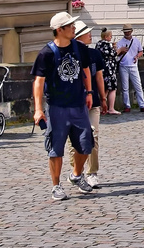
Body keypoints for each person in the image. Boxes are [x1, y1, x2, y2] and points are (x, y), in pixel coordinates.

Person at [32, 11, 97, 200]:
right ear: (60, 30)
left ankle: (76, 175)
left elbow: (85, 69)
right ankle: (56, 186)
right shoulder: (46, 53)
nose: (74, 28)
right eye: (71, 26)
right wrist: (38, 109)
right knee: (55, 148)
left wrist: (89, 92)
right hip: (57, 107)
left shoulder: (79, 48)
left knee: (86, 144)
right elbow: (38, 81)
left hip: (78, 105)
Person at [68, 20, 112, 187]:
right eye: (87, 33)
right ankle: (76, 172)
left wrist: (103, 97)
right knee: (74, 139)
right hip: (75, 102)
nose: (90, 35)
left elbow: (99, 77)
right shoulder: (70, 52)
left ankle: (91, 172)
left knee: (93, 137)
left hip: (92, 102)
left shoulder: (94, 54)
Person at [114, 24, 144, 113]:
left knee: (138, 86)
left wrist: (137, 56)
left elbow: (141, 51)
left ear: (131, 31)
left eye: (128, 31)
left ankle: (142, 105)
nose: (127, 33)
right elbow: (117, 54)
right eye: (125, 32)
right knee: (125, 87)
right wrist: (121, 50)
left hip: (133, 65)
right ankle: (127, 105)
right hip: (123, 65)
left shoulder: (136, 41)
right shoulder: (120, 42)